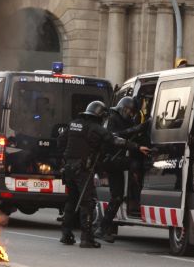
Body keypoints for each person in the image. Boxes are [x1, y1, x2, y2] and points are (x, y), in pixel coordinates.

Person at [57, 100, 150, 248]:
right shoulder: (95, 128)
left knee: (72, 200)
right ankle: (87, 239)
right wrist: (136, 147)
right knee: (87, 203)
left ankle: (66, 234)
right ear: (99, 115)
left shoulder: (73, 124)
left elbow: (61, 141)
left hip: (69, 168)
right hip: (83, 169)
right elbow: (114, 140)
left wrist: (67, 158)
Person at [95, 97, 151, 242]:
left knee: (117, 197)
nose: (131, 115)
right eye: (129, 111)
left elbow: (129, 134)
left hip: (116, 161)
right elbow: (116, 137)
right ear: (123, 108)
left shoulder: (125, 120)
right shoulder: (112, 118)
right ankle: (136, 190)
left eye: (132, 112)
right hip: (110, 160)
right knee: (134, 164)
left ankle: (103, 228)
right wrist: (138, 131)